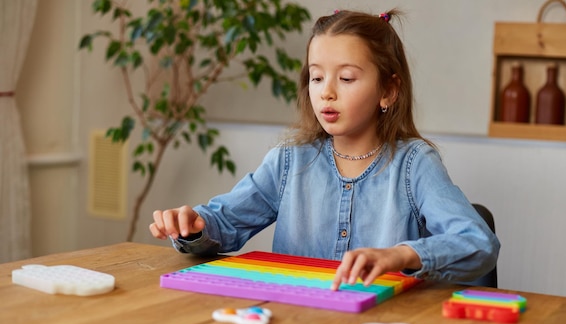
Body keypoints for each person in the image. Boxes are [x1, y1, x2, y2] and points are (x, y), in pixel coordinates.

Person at [150, 9, 500, 291]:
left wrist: (400, 255)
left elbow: (478, 243)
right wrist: (194, 227)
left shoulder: (414, 164)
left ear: (389, 91)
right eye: (316, 78)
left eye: (346, 78)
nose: (326, 93)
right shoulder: (289, 162)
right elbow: (223, 222)